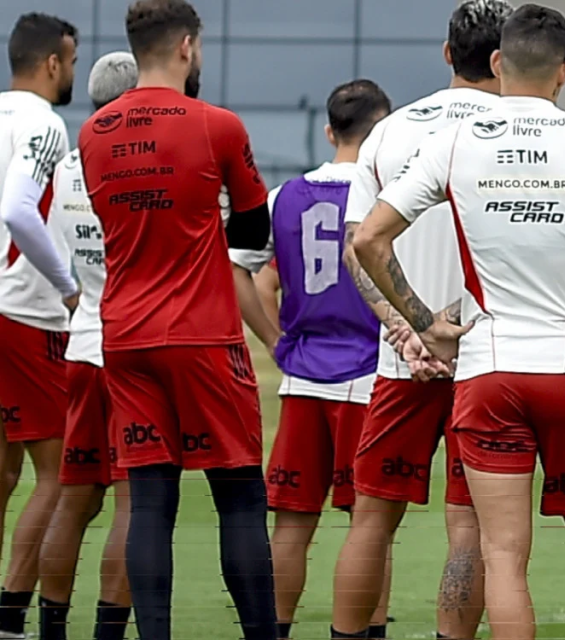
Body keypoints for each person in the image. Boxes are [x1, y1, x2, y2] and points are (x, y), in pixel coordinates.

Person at [354, 5, 565, 640]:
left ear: (499, 64)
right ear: (564, 72)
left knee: (504, 556)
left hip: (489, 371)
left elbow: (369, 240)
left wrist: (423, 321)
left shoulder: (450, 141)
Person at [77, 1, 277, 639]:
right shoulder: (217, 125)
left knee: (151, 505)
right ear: (187, 46)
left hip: (126, 335)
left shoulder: (94, 132)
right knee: (239, 498)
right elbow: (253, 226)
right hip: (203, 332)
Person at [333, 2, 512, 638]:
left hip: (402, 359)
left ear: (446, 54)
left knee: (371, 520)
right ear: (505, 56)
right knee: (469, 526)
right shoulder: (525, 133)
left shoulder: (389, 130)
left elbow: (356, 246)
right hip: (485, 360)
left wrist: (401, 325)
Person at [230, 79, 394, 640]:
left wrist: (277, 340)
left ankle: (274, 631)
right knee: (370, 525)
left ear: (330, 131)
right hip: (369, 378)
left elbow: (240, 275)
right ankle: (365, 633)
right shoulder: (389, 199)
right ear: (383, 133)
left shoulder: (283, 197)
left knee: (293, 523)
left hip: (302, 378)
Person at [35, 51, 138, 640]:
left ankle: (50, 628)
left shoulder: (68, 167)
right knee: (130, 503)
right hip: (127, 350)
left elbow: (55, 255)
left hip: (82, 343)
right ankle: (106, 632)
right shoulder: (136, 164)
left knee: (74, 501)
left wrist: (78, 297)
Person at [0, 13, 80, 639]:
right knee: (58, 474)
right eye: (72, 62)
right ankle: (11, 612)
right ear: (53, 63)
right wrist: (67, 284)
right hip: (24, 312)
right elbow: (18, 210)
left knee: (3, 474)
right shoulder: (43, 124)